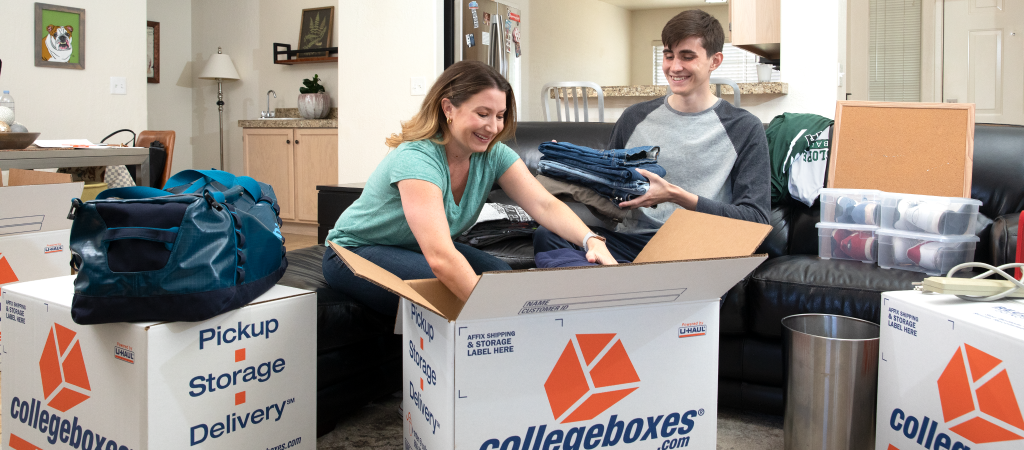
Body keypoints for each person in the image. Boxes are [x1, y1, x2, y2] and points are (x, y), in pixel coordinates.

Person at [323, 60, 617, 317]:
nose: (493, 126)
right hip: (354, 252)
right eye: (483, 113)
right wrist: (500, 315)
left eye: (500, 115)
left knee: (499, 276)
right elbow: (440, 256)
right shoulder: (418, 158)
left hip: (413, 250)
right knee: (447, 289)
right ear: (449, 108)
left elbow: (544, 205)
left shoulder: (493, 154)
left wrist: (590, 239)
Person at [534, 9, 770, 262]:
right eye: (669, 56)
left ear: (715, 61)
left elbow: (756, 219)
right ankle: (619, 287)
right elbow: (611, 193)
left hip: (696, 246)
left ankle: (611, 287)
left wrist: (676, 196)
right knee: (549, 235)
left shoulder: (744, 127)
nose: (675, 67)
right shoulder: (634, 117)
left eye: (687, 57)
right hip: (633, 241)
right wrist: (571, 165)